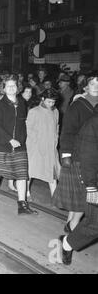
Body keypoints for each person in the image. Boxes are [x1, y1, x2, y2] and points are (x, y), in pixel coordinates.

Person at [52, 76, 98, 233]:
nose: (95, 87)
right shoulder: (78, 105)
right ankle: (71, 230)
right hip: (78, 156)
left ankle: (70, 224)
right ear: (85, 87)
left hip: (94, 158)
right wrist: (66, 154)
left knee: (80, 198)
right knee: (82, 198)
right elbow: (67, 131)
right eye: (92, 84)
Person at [0, 75, 38, 215]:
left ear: (18, 88)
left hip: (19, 146)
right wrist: (10, 140)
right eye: (8, 86)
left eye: (14, 86)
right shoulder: (0, 105)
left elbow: (23, 124)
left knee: (22, 174)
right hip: (1, 143)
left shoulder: (22, 103)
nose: (11, 88)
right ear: (3, 88)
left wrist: (22, 140)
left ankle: (22, 205)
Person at [59, 104, 98, 265]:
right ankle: (68, 243)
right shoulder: (94, 124)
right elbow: (88, 157)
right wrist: (91, 185)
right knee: (94, 225)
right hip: (94, 181)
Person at [26, 89, 61, 197]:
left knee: (52, 173)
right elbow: (29, 130)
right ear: (42, 99)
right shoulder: (34, 111)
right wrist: (36, 143)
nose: (51, 104)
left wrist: (55, 141)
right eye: (49, 101)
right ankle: (25, 192)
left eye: (53, 102)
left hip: (51, 148)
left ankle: (54, 197)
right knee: (30, 171)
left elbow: (57, 128)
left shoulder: (56, 111)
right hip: (36, 148)